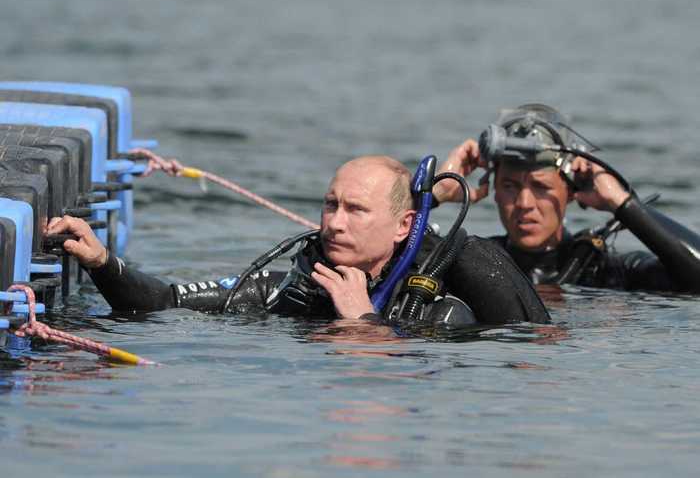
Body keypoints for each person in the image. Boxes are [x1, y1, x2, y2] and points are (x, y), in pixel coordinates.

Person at [47, 155, 549, 325]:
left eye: (356, 210)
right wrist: (100, 260)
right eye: (331, 205)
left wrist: (363, 321)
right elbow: (164, 302)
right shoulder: (290, 288)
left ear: (403, 225)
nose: (334, 222)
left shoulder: (442, 310)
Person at [434, 104, 700, 292]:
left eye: (541, 187)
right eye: (510, 186)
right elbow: (393, 260)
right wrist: (437, 194)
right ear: (493, 189)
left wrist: (621, 203)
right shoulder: (471, 262)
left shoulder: (605, 272)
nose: (525, 204)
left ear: (571, 192)